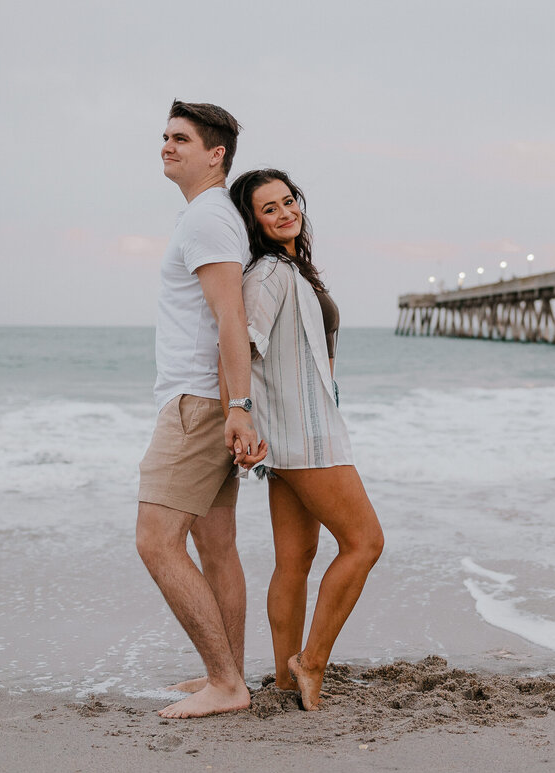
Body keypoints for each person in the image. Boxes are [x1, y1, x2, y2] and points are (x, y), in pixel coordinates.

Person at [227, 168, 384, 710]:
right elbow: (239, 346)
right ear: (253, 221)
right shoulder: (270, 273)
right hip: (305, 435)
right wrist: (241, 415)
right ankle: (310, 663)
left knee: (295, 560)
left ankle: (286, 677)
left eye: (287, 201)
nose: (284, 212)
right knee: (365, 543)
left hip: (297, 431)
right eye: (268, 208)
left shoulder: (294, 268)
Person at [134, 100, 266, 720]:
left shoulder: (208, 220)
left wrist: (236, 406)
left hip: (196, 404)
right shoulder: (207, 217)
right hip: (206, 401)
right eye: (164, 136)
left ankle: (225, 681)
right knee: (216, 546)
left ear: (215, 155)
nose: (167, 145)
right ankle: (230, 674)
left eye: (181, 139)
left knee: (156, 542)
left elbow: (230, 318)